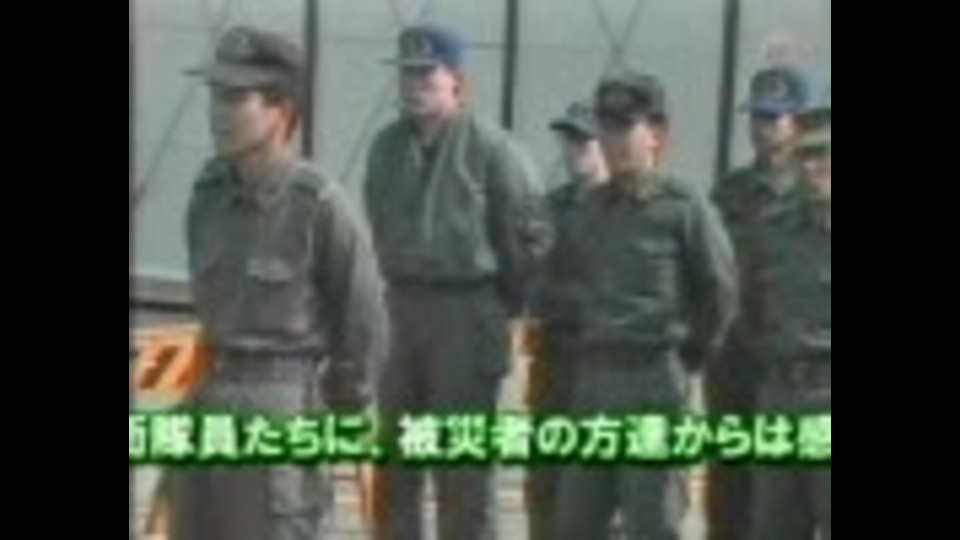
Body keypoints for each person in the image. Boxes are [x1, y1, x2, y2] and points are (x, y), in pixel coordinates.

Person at [168, 26, 389, 540]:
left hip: (281, 402)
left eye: (236, 98)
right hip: (207, 393)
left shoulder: (318, 206)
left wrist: (336, 408)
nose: (218, 112)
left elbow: (364, 322)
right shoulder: (209, 193)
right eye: (215, 96)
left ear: (281, 110)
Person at [364, 24, 551, 540]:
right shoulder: (386, 147)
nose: (415, 86)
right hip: (401, 309)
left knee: (463, 469)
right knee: (395, 460)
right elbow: (378, 221)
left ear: (456, 83)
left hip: (466, 312)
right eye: (407, 75)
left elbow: (528, 242)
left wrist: (498, 308)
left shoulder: (493, 149)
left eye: (427, 75)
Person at [553, 70, 738, 540]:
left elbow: (719, 290)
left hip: (652, 381)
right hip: (593, 382)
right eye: (607, 128)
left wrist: (688, 354)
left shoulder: (682, 206)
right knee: (575, 521)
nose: (613, 140)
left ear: (656, 133)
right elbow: (565, 283)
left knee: (652, 520)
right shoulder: (591, 209)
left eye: (625, 127)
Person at [706, 65, 815, 540]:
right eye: (757, 117)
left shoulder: (815, 194)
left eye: (774, 118)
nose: (763, 127)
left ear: (798, 123)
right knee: (729, 487)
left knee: (787, 498)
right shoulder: (729, 192)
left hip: (791, 365)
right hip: (734, 360)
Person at [747, 89, 831, 540]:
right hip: (779, 395)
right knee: (773, 526)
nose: (814, 166)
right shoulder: (774, 228)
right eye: (806, 155)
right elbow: (746, 306)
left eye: (824, 154)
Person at [525, 101, 607, 540]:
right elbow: (532, 284)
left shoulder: (627, 209)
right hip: (557, 354)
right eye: (568, 141)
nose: (574, 151)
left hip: (608, 359)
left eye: (584, 141)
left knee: (600, 478)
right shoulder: (550, 207)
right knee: (546, 478)